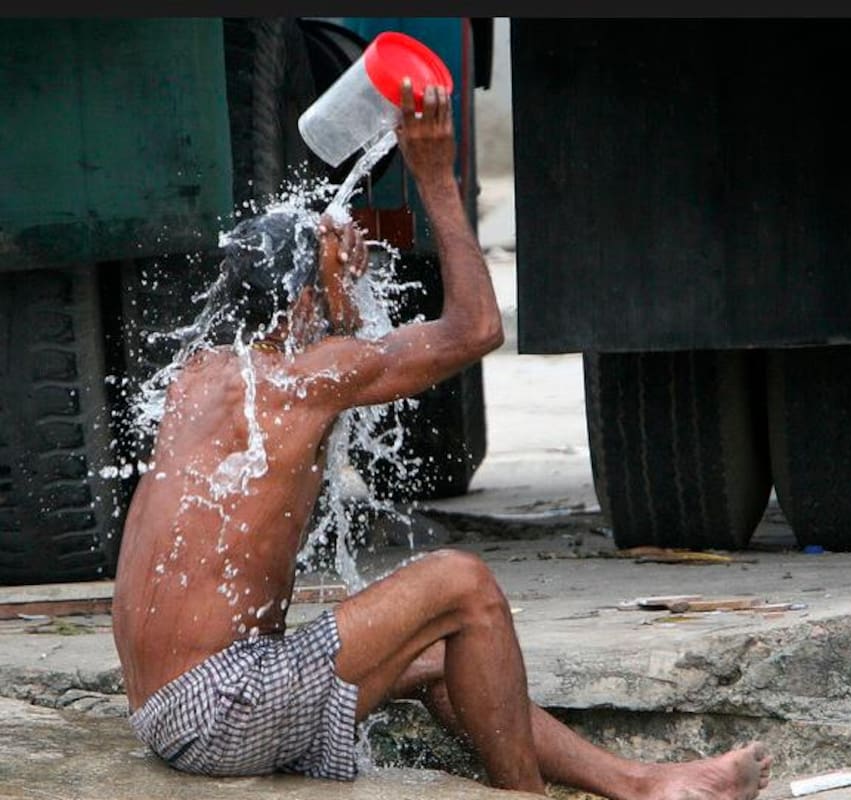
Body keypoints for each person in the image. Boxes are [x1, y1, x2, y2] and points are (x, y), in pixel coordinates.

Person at [111, 79, 772, 799]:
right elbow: (475, 329)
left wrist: (334, 299)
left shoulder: (201, 376)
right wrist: (434, 175)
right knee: (464, 584)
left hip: (163, 710)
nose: (358, 279)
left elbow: (312, 388)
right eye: (336, 274)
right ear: (302, 301)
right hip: (222, 710)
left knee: (439, 649)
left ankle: (642, 785)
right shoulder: (304, 377)